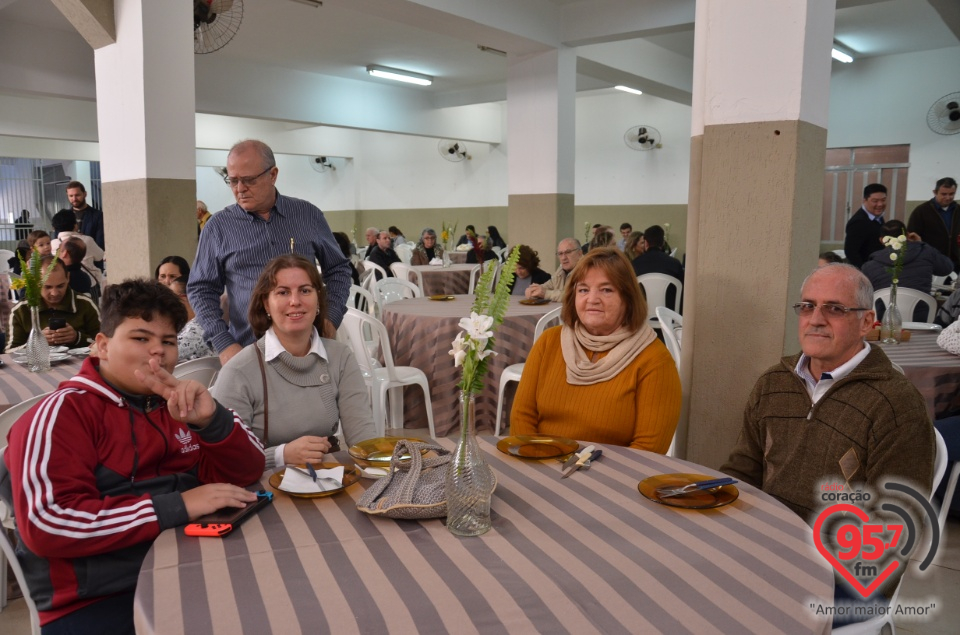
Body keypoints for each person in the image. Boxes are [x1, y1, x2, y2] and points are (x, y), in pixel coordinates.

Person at [0, 279, 265, 633]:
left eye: (168, 341)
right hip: (96, 598)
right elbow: (49, 522)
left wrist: (212, 421)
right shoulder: (62, 415)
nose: (158, 352)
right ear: (103, 346)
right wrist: (178, 505)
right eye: (141, 338)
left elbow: (249, 471)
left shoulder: (179, 407)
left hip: (191, 564)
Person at [720, 264, 934, 620]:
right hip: (767, 543)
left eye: (835, 308)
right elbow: (743, 467)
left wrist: (799, 568)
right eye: (807, 306)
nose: (816, 319)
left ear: (868, 322)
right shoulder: (774, 382)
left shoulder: (896, 405)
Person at [188, 139, 352, 366]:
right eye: (233, 180)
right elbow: (200, 289)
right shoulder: (219, 227)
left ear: (273, 175)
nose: (239, 189)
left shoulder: (307, 215)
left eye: (248, 180)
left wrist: (331, 315)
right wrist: (223, 342)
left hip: (309, 349)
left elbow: (338, 269)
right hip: (249, 353)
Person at [211, 254, 377, 471]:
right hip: (263, 487)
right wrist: (281, 455)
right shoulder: (240, 371)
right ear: (266, 304)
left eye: (305, 290)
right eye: (283, 292)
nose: (295, 301)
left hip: (328, 479)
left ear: (318, 299)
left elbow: (363, 438)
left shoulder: (340, 356)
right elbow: (224, 461)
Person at [511, 249, 681, 451]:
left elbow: (648, 449)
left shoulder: (654, 360)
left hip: (611, 477)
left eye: (606, 290)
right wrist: (538, 464)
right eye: (583, 290)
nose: (592, 299)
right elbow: (522, 416)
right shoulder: (549, 342)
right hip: (541, 467)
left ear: (628, 298)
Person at [7, 256, 101, 351]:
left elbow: (105, 344)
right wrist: (36, 342)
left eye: (60, 286)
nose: (54, 293)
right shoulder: (21, 310)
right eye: (47, 287)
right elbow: (9, 352)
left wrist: (77, 338)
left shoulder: (85, 304)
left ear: (68, 278)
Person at [862, 219, 952, 300]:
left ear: (882, 240)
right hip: (922, 315)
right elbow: (947, 268)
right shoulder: (925, 252)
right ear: (907, 235)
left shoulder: (870, 266)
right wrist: (920, 243)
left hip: (883, 315)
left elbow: (864, 294)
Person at [907, 177, 959, 270]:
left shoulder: (958, 210)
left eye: (951, 194)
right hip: (930, 262)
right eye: (944, 194)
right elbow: (912, 238)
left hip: (956, 262)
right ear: (935, 192)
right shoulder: (921, 211)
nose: (948, 197)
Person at [632, 225, 684, 310]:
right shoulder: (675, 264)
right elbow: (682, 292)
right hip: (669, 316)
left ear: (646, 243)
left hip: (642, 315)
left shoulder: (634, 264)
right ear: (663, 243)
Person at [50, 209, 106, 288]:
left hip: (64, 284)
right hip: (89, 282)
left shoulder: (52, 244)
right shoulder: (86, 240)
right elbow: (100, 256)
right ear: (75, 225)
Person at [169, 275, 214, 361]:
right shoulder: (187, 326)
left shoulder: (198, 328)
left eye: (171, 298)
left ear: (188, 297)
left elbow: (164, 353)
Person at [843, 183, 887, 268]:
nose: (880, 204)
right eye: (875, 201)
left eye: (883, 200)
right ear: (864, 200)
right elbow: (851, 252)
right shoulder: (858, 222)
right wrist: (864, 272)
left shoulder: (878, 217)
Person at [526, 238, 583, 302]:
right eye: (560, 254)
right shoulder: (561, 270)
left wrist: (546, 294)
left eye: (568, 252)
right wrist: (534, 290)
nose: (563, 258)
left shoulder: (586, 271)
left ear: (579, 253)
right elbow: (548, 285)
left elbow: (575, 296)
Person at [62, 180, 105, 250]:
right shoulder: (63, 217)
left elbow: (100, 243)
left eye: (77, 195)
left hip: (91, 258)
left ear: (85, 194)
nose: (74, 199)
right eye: (71, 196)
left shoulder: (98, 215)